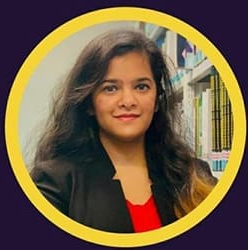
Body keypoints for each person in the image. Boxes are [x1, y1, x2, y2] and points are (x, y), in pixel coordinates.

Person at [30, 28, 217, 233]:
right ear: (89, 103)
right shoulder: (55, 183)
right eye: (110, 88)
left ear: (157, 100)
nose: (128, 101)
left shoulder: (196, 176)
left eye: (141, 87)